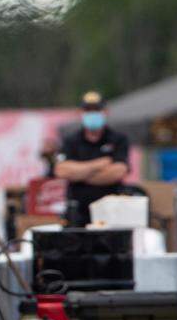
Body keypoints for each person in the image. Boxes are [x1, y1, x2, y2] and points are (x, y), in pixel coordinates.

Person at [54, 91, 129, 226]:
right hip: (78, 212)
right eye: (88, 110)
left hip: (111, 211)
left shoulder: (118, 139)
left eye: (96, 110)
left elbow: (119, 172)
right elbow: (62, 171)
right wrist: (98, 165)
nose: (92, 114)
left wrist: (79, 174)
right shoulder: (71, 140)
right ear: (80, 113)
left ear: (105, 112)